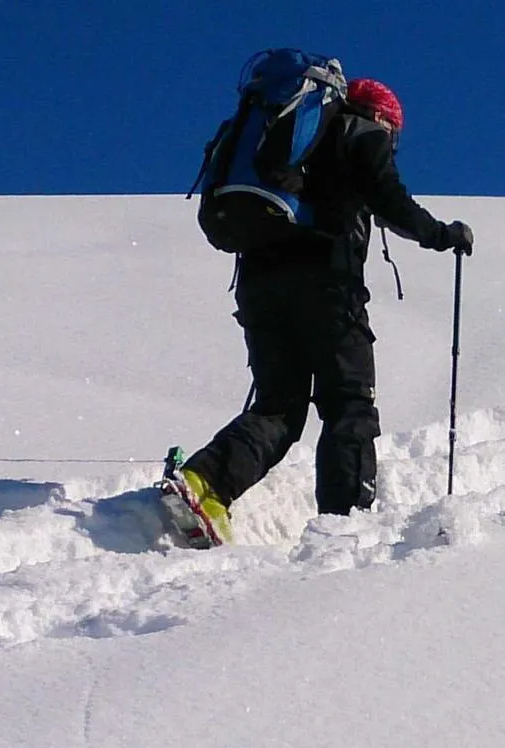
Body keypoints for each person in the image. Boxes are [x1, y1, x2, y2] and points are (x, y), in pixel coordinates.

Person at [181, 77, 474, 537]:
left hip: (260, 284)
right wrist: (443, 235)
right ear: (381, 117)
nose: (392, 143)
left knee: (279, 405)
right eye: (393, 133)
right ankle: (346, 526)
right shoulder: (361, 131)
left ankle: (204, 483)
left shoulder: (288, 142)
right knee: (350, 406)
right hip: (328, 287)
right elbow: (389, 200)